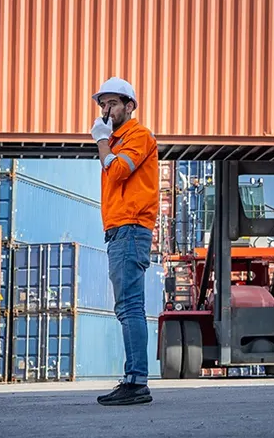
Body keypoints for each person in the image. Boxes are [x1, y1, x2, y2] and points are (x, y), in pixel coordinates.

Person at [90, 77, 159, 406]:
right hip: (121, 230)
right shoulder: (117, 140)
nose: (106, 110)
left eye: (112, 103)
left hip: (131, 228)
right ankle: (134, 378)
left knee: (130, 306)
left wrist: (103, 143)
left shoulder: (138, 136)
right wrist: (107, 143)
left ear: (130, 106)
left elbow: (118, 173)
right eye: (102, 104)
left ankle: (136, 382)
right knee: (127, 306)